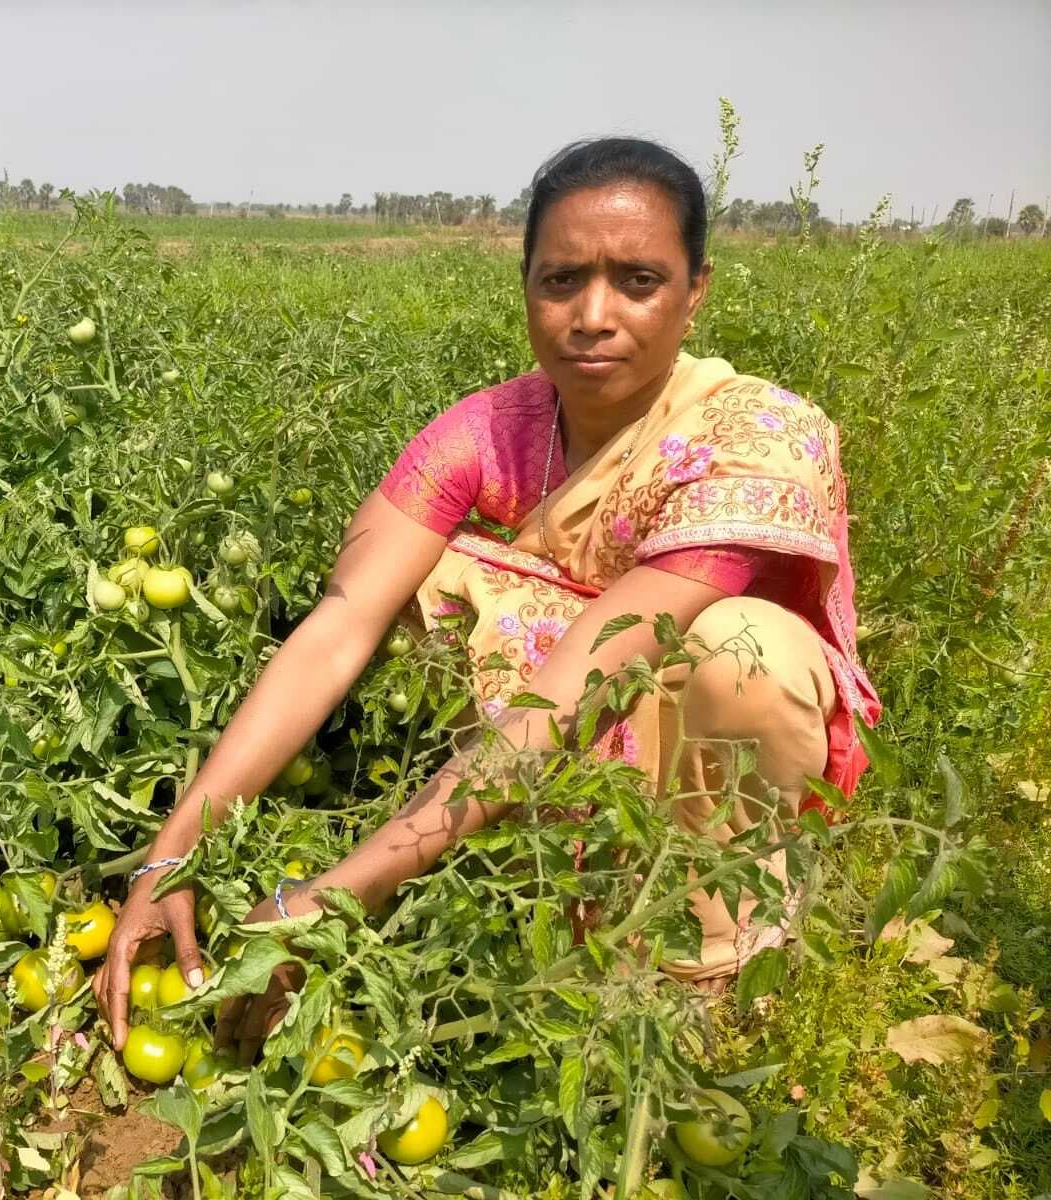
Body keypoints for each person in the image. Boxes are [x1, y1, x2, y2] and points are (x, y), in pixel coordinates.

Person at [93, 137, 881, 1063]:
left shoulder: (760, 432)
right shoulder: (492, 428)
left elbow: (572, 690)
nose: (593, 317)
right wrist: (175, 848)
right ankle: (538, 873)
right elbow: (341, 623)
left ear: (695, 291)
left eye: (638, 281)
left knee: (744, 649)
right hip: (554, 730)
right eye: (561, 281)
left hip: (687, 720)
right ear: (526, 286)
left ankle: (716, 951)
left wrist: (339, 893)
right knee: (426, 577)